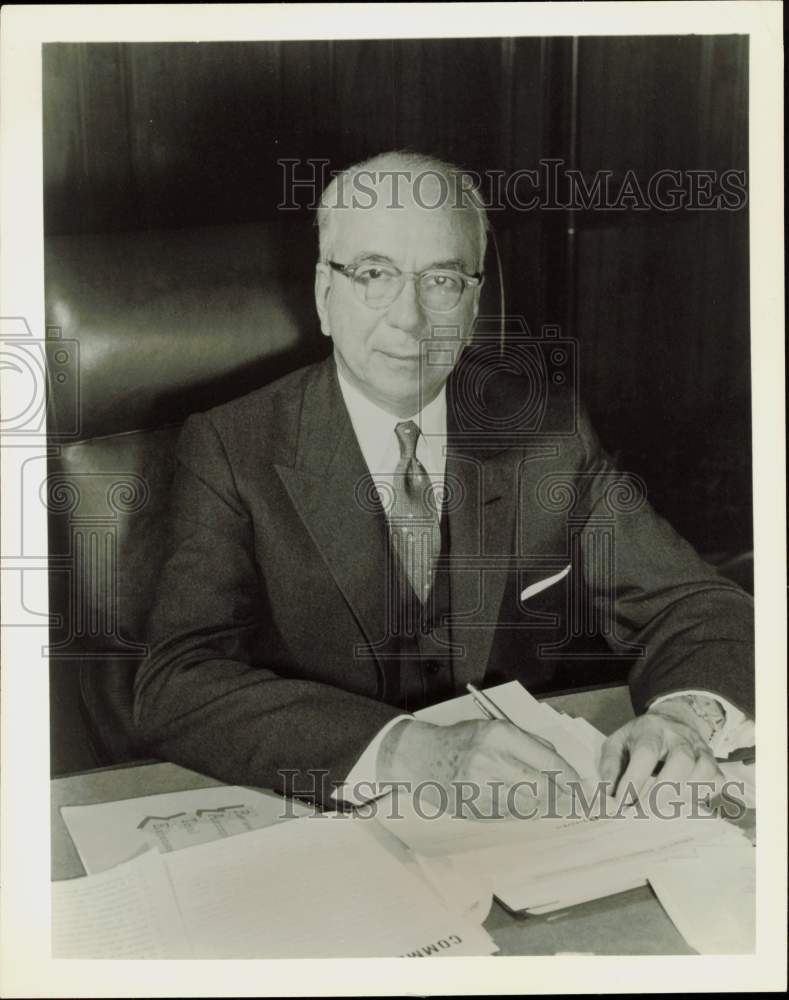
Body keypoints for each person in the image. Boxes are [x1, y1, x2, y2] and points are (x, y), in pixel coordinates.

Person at [133, 150, 754, 816]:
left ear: (473, 300)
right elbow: (175, 682)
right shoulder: (231, 446)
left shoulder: (544, 434)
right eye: (374, 274)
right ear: (323, 295)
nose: (409, 317)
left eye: (441, 280)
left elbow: (700, 609)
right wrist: (406, 749)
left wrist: (685, 719)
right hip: (319, 820)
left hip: (521, 824)